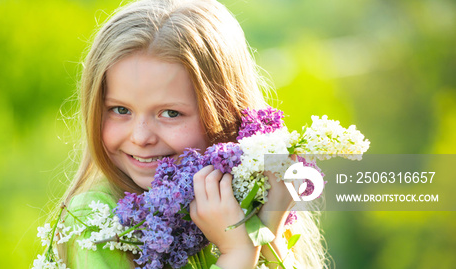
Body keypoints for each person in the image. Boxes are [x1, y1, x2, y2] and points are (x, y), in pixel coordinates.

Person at [49, 0, 326, 268]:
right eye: (120, 109)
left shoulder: (241, 197)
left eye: (170, 113)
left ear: (226, 114)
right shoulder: (96, 220)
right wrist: (237, 255)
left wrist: (267, 231)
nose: (141, 137)